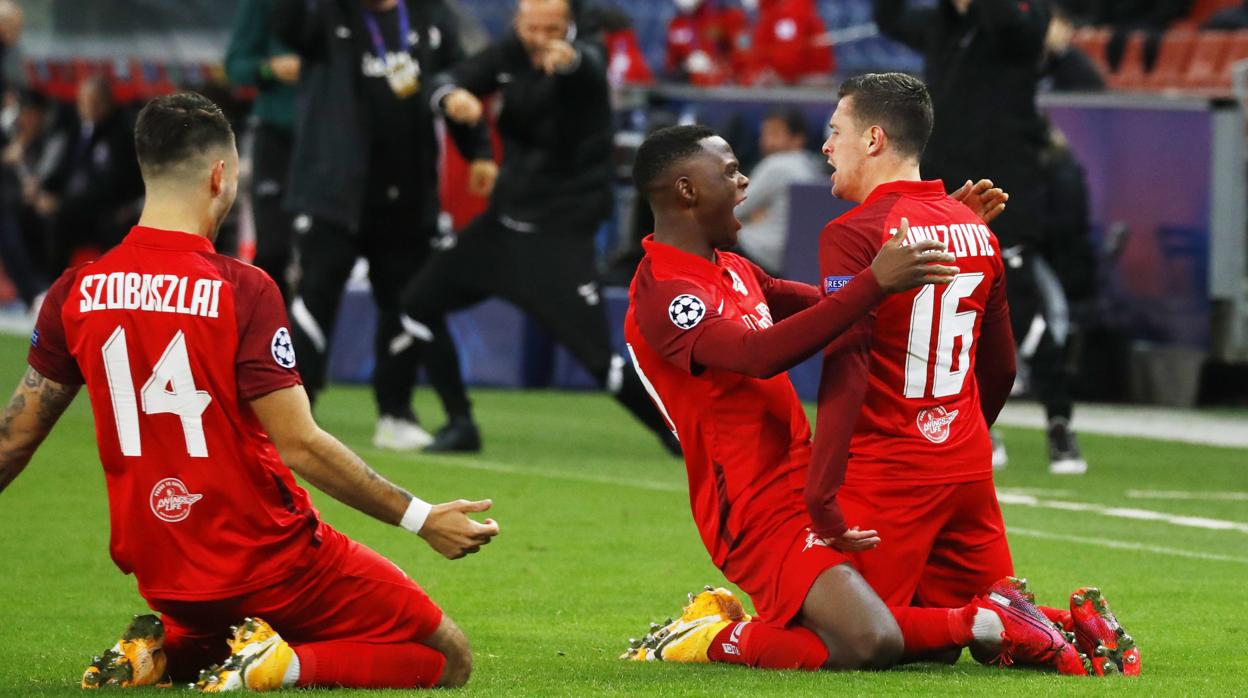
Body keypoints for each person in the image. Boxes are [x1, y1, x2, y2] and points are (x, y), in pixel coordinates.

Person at [0, 92, 500, 690]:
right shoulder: (242, 288)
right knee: (446, 656)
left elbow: (14, 439)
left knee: (230, 629)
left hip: (164, 571)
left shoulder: (74, 292)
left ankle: (160, 656)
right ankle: (281, 668)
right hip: (271, 560)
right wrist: (422, 518)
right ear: (220, 176)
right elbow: (301, 445)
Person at [618, 124, 1107, 676]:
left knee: (916, 636)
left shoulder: (731, 268)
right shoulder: (664, 292)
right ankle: (710, 637)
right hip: (748, 506)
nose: (744, 180)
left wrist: (940, 227)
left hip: (807, 481)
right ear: (686, 190)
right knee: (869, 643)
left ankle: (1021, 622)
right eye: (729, 171)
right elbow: (759, 354)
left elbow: (848, 308)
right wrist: (875, 281)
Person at [806, 73, 1138, 675]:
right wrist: (958, 432)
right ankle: (1074, 630)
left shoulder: (852, 234)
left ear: (874, 139)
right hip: (964, 465)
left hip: (888, 471)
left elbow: (848, 371)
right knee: (960, 619)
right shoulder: (975, 229)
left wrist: (821, 492)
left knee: (839, 630)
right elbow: (1003, 364)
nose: (827, 146)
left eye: (836, 132)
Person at [400, 0, 677, 454]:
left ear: (569, 25)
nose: (540, 36)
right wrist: (452, 97)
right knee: (416, 306)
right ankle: (460, 422)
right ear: (517, 22)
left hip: (558, 236)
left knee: (600, 363)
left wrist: (567, 60)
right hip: (502, 227)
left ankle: (681, 436)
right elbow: (447, 78)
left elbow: (585, 65)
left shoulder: (584, 54)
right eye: (531, 27)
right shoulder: (510, 53)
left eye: (552, 27)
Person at [874, 0, 1091, 474]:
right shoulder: (941, 26)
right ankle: (973, 423)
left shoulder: (1022, 21)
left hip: (1005, 184)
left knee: (1019, 305)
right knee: (944, 303)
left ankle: (1058, 419)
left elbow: (1004, 21)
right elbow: (890, 19)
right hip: (946, 185)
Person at [272, 0, 494, 452]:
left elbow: (455, 84)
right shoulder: (327, 14)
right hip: (332, 194)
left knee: (403, 306)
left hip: (408, 196)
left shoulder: (431, 16)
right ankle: (296, 414)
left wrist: (479, 149)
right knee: (315, 301)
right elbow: (287, 24)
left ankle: (395, 412)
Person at [224, 0, 301, 299]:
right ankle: (269, 337)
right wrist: (270, 69)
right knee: (273, 248)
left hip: (330, 138)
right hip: (277, 134)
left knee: (324, 252)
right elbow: (235, 65)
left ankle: (311, 341)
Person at [38, 76, 143, 274]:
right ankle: (43, 287)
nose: (90, 107)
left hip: (107, 210)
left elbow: (116, 181)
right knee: (30, 215)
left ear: (108, 102)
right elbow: (63, 170)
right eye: (85, 101)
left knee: (63, 219)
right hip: (74, 209)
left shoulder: (120, 135)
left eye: (96, 101)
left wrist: (63, 202)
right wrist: (45, 190)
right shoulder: (76, 133)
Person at [734, 106, 825, 275]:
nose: (767, 142)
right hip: (791, 261)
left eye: (775, 134)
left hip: (761, 253)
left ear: (798, 139)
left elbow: (735, 210)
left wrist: (751, 217)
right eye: (765, 134)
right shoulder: (812, 165)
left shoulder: (777, 164)